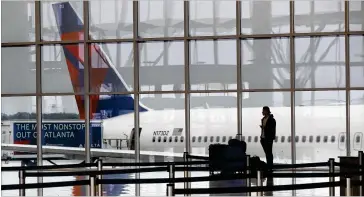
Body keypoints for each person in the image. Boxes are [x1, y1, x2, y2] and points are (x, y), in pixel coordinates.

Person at [259, 106, 276, 171]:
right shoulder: (263, 119)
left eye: (263, 111)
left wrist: (264, 127)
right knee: (267, 153)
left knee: (269, 153)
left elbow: (272, 129)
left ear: (266, 111)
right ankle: (269, 166)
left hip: (268, 139)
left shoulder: (272, 120)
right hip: (263, 138)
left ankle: (270, 166)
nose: (262, 112)